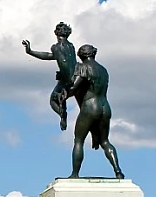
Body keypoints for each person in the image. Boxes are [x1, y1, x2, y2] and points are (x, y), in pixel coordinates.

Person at [67, 44, 125, 179]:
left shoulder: (83, 67)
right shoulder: (103, 70)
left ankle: (75, 173)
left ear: (81, 55)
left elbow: (74, 87)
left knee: (79, 140)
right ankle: (118, 171)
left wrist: (63, 92)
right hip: (105, 107)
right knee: (105, 141)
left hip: (90, 106)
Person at [23, 22, 76, 131]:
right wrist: (31, 52)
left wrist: (66, 80)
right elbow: (49, 56)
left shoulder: (57, 47)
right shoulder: (71, 46)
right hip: (76, 75)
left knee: (53, 100)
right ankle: (62, 109)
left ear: (56, 33)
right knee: (61, 94)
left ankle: (62, 113)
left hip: (67, 78)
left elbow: (63, 63)